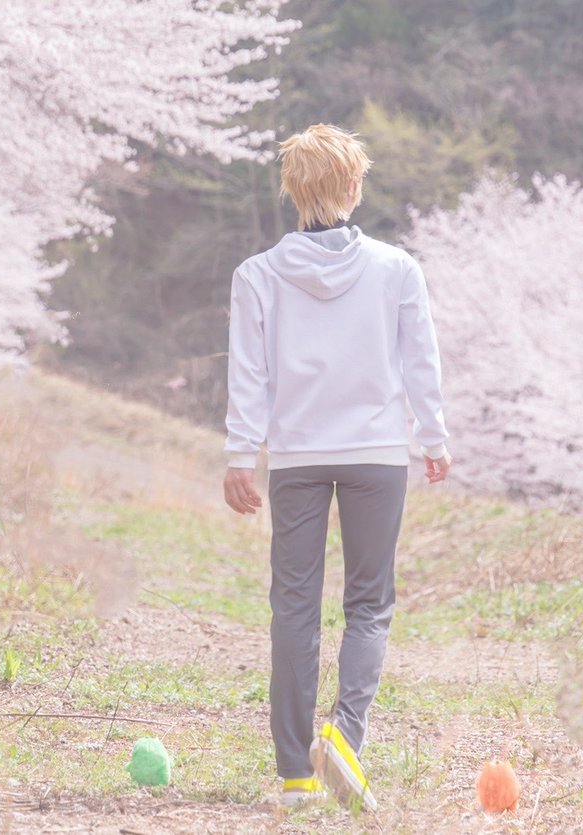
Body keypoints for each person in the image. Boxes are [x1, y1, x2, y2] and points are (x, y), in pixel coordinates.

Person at [222, 124, 451, 811]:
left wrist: (241, 454)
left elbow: (249, 375)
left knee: (293, 606)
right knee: (369, 603)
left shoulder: (257, 275)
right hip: (376, 454)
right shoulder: (397, 269)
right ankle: (345, 737)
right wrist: (433, 436)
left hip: (297, 456)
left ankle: (297, 774)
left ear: (291, 189)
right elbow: (420, 360)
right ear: (354, 186)